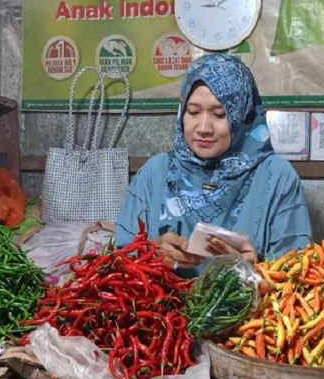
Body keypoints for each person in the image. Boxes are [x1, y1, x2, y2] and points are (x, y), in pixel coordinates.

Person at [115, 54, 312, 272]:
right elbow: (119, 260)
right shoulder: (156, 172)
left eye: (219, 114)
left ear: (242, 116)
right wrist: (150, 253)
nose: (203, 128)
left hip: (246, 304)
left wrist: (252, 269)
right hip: (162, 304)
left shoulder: (275, 176)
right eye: (193, 112)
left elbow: (297, 272)